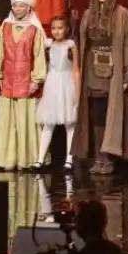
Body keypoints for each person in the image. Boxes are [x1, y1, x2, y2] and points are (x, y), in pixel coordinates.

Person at [75, 0, 128, 175]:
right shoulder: (88, 14)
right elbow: (82, 42)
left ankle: (108, 157)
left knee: (108, 112)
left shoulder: (122, 14)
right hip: (92, 69)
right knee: (94, 113)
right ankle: (97, 156)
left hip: (113, 70)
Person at [0, 0, 46, 171]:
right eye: (14, 5)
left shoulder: (34, 30)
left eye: (21, 5)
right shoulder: (5, 26)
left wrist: (36, 80)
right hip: (7, 80)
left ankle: (26, 159)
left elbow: (38, 56)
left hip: (25, 82)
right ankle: (7, 160)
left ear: (29, 8)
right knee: (8, 122)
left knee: (25, 123)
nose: (17, 9)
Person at [35, 16, 79, 170]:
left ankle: (69, 159)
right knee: (48, 123)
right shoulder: (48, 44)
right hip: (52, 84)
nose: (57, 31)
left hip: (67, 85)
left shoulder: (70, 45)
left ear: (66, 29)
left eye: (60, 28)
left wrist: (77, 94)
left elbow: (75, 70)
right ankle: (40, 159)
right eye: (54, 28)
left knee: (70, 123)